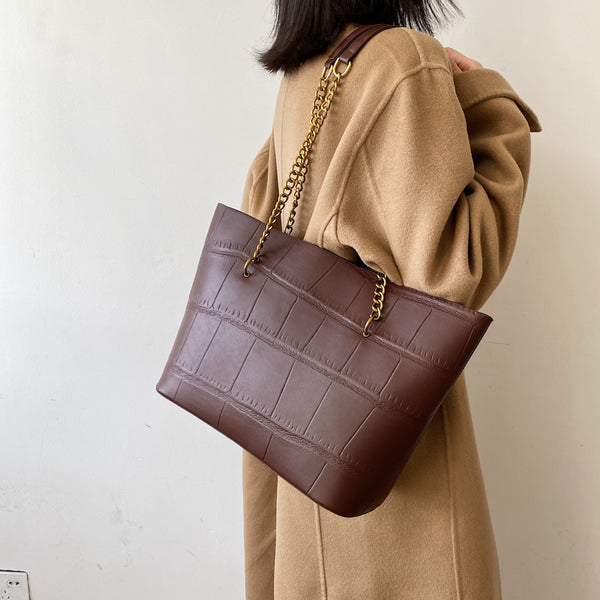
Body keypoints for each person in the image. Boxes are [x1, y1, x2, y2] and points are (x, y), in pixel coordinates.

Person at [239, 2, 542, 598]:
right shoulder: (402, 60)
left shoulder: (302, 74)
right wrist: (494, 109)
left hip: (301, 441)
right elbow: (452, 270)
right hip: (393, 479)